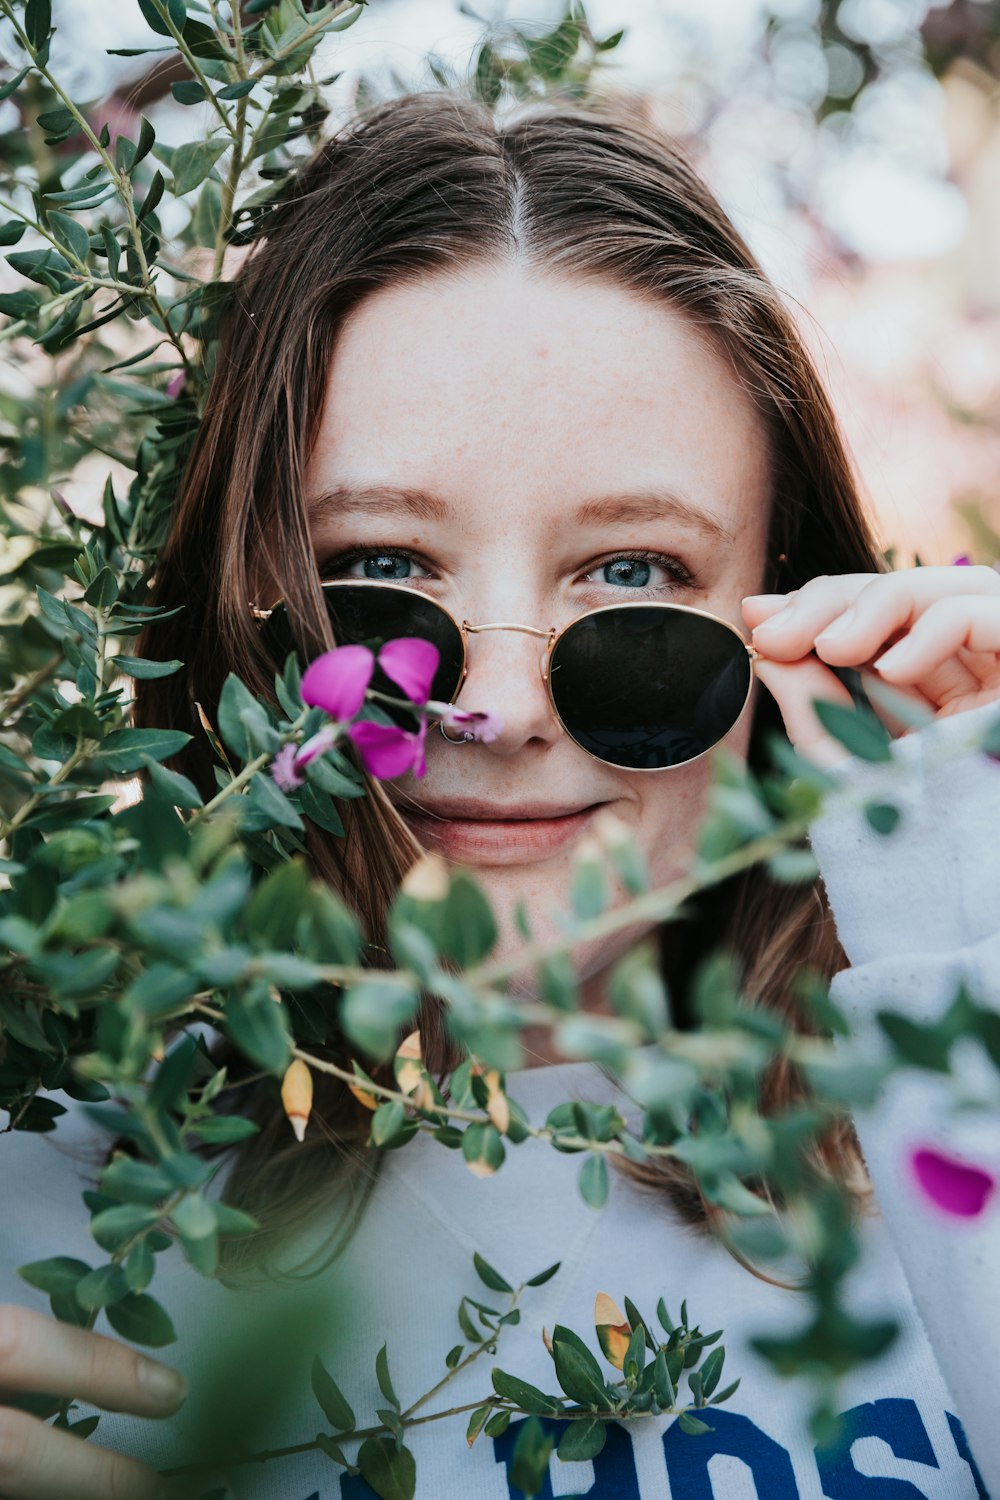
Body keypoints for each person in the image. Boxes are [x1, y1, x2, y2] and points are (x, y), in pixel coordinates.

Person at [2, 90, 1000, 1500]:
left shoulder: (947, 1126)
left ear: (789, 606)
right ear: (245, 617)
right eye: (386, 573)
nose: (510, 708)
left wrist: (961, 910)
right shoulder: (47, 1207)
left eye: (637, 576)